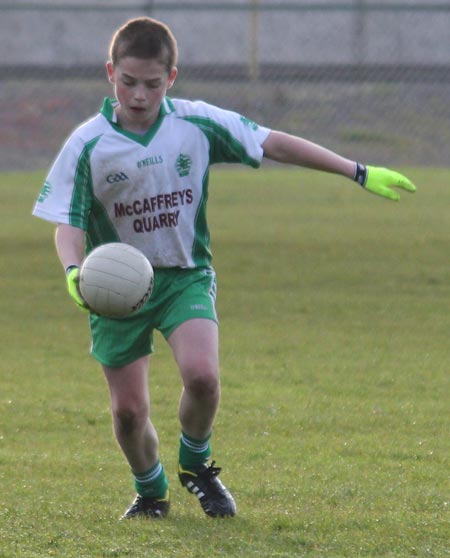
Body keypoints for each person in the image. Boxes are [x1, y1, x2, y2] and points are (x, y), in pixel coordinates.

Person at [32, 16, 416, 520]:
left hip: (184, 274)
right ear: (110, 73)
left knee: (203, 377)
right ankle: (151, 491)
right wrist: (73, 272)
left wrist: (357, 170)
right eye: (129, 83)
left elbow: (272, 142)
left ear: (171, 77)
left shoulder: (195, 122)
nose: (140, 95)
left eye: (152, 84)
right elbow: (68, 222)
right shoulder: (88, 144)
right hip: (115, 288)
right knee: (128, 413)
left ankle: (195, 467)